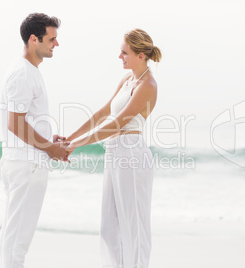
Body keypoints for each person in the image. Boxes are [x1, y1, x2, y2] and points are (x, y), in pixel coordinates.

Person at [66, 28, 162, 268]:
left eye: (125, 52)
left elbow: (118, 123)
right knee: (109, 227)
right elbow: (103, 113)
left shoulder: (148, 85)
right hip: (115, 153)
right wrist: (69, 138)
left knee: (134, 227)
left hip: (132, 154)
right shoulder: (127, 80)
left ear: (141, 55)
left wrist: (78, 144)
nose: (120, 57)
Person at [0, 13, 68, 268]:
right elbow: (15, 123)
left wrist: (48, 139)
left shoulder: (29, 70)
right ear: (33, 39)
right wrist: (50, 148)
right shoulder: (22, 73)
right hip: (26, 165)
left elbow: (26, 119)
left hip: (25, 161)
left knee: (14, 233)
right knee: (18, 238)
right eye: (51, 39)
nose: (56, 44)